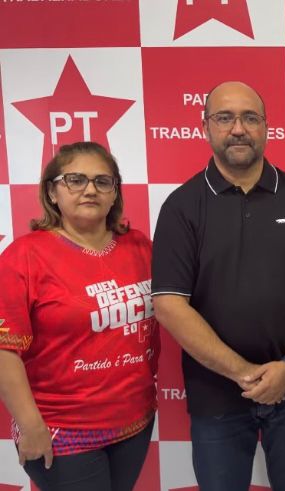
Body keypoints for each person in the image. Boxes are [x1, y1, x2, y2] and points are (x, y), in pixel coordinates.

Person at [151, 81, 285, 491]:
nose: (238, 129)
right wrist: (246, 374)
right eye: (225, 118)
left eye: (250, 118)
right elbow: (169, 305)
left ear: (266, 127)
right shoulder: (182, 206)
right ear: (205, 127)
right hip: (216, 395)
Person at [0, 141, 159, 491]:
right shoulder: (24, 256)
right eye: (75, 180)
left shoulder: (140, 247)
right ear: (52, 192)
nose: (90, 190)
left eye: (103, 181)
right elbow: (4, 350)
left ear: (114, 193)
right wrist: (30, 425)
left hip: (134, 421)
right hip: (62, 429)